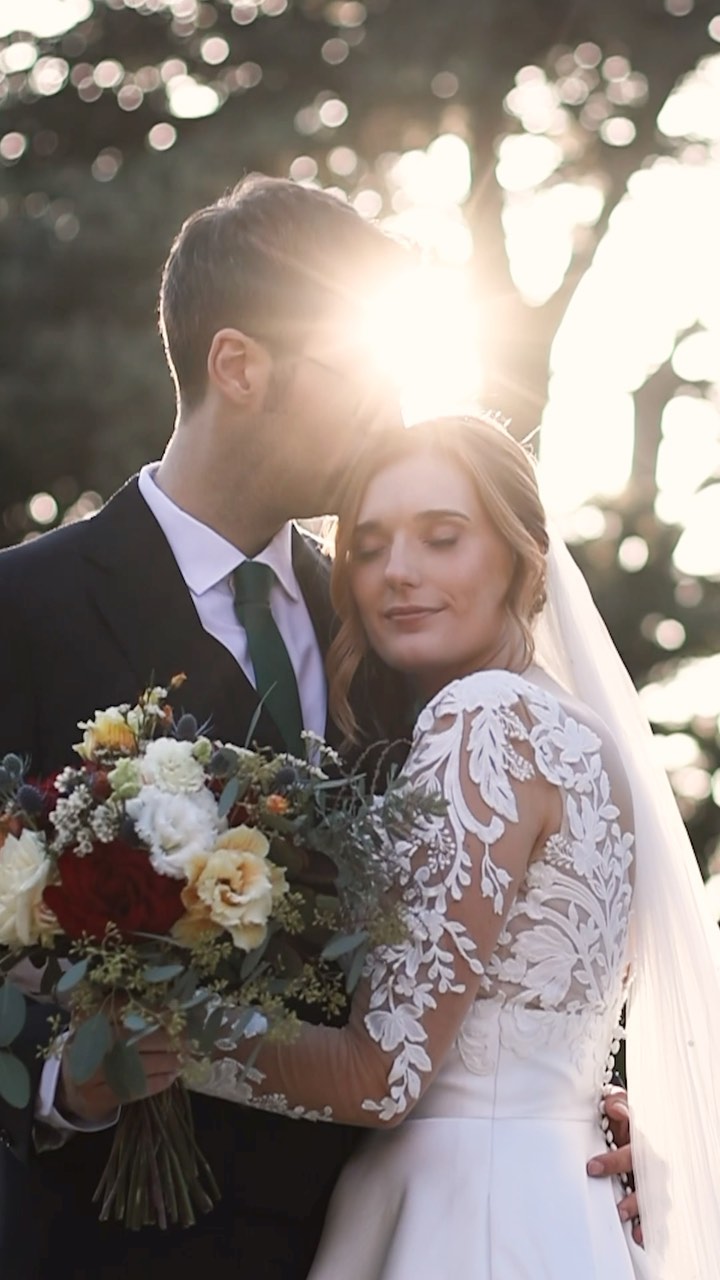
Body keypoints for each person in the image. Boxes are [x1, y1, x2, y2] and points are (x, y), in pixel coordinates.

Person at [0, 180, 634, 1279]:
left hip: (392, 1232)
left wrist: (566, 1098)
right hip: (99, 1243)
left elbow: (497, 900)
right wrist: (61, 1072)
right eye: (367, 377)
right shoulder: (22, 612)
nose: (391, 414)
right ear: (240, 367)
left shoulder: (395, 626)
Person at [189, 415, 720, 1279]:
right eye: (366, 546)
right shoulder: (575, 731)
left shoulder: (484, 720)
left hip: (464, 1215)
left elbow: (383, 1074)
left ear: (523, 555)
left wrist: (152, 1032)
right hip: (556, 1201)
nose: (398, 573)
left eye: (442, 538)